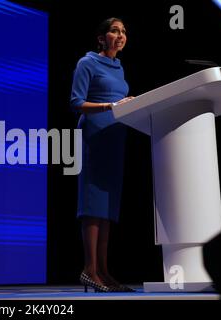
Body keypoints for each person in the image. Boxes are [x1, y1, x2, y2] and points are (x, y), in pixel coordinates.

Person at [70, 17, 135, 293]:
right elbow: (76, 102)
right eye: (114, 30)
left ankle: (104, 272)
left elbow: (120, 103)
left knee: (107, 208)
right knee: (92, 204)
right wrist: (111, 105)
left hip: (114, 138)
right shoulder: (87, 63)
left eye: (123, 32)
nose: (120, 35)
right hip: (93, 137)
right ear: (101, 38)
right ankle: (89, 270)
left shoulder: (119, 68)